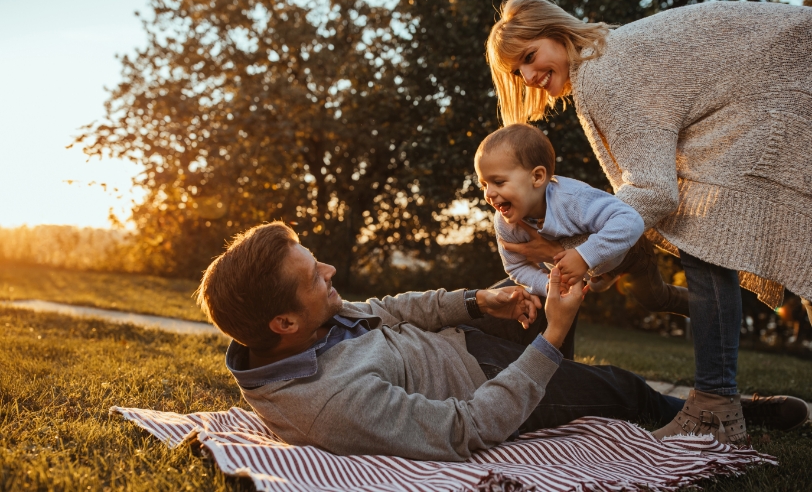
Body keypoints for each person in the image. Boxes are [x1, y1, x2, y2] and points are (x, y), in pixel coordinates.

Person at [486, 0, 812, 444]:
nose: (528, 78)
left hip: (777, 84)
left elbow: (654, 189)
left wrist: (584, 255)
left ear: (557, 32)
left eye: (529, 57)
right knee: (716, 235)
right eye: (517, 72)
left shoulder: (602, 74)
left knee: (706, 229)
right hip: (768, 89)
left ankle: (716, 405)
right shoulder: (604, 57)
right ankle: (718, 395)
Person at [195, 222, 806, 460]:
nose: (329, 274)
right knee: (620, 387)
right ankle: (722, 412)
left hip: (468, 339)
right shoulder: (329, 403)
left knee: (542, 287)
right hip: (486, 385)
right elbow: (464, 429)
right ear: (283, 324)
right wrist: (553, 338)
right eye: (313, 276)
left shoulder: (307, 326)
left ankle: (561, 359)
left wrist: (478, 301)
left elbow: (389, 308)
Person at [476, 123, 688, 317]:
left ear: (538, 177)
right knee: (575, 290)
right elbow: (515, 267)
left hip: (629, 253)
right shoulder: (506, 222)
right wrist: (547, 284)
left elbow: (630, 220)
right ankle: (599, 277)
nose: (489, 194)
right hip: (588, 269)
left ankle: (703, 308)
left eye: (498, 182)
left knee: (655, 299)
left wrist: (583, 257)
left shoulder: (572, 200)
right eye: (484, 184)